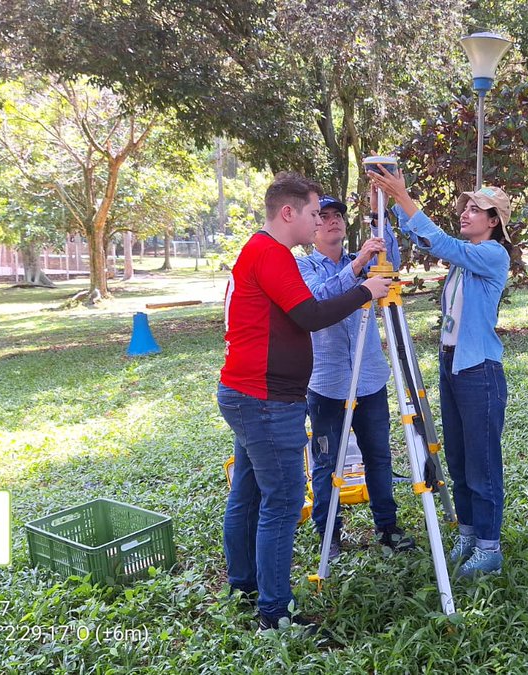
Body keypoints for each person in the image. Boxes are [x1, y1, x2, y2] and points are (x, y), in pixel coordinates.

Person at [218, 172, 393, 631]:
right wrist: (364, 291)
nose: (320, 221)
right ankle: (274, 612)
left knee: (250, 491)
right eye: (315, 213)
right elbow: (311, 315)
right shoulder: (272, 254)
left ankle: (243, 584)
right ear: (289, 213)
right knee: (281, 500)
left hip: (249, 393)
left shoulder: (261, 251)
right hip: (265, 398)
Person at [368, 166, 511, 578]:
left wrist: (403, 195)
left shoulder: (491, 254)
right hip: (453, 366)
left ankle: (489, 547)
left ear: (494, 221)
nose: (466, 212)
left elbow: (443, 243)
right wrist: (388, 207)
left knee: (482, 461)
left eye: (477, 209)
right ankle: (468, 532)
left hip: (480, 369)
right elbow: (426, 239)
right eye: (465, 206)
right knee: (459, 456)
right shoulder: (464, 262)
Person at [296, 191, 416, 558]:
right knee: (326, 461)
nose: (332, 220)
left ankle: (387, 527)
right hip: (326, 384)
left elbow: (390, 263)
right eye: (325, 215)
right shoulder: (304, 267)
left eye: (338, 216)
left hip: (369, 380)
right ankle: (329, 532)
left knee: (378, 455)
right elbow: (318, 299)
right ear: (313, 226)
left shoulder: (364, 262)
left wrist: (380, 223)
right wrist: (357, 266)